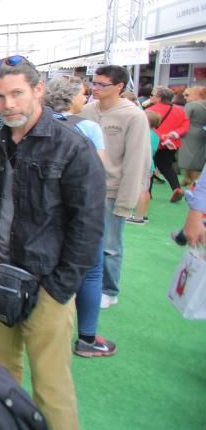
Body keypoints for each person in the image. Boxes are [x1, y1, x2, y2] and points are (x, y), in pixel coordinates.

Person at [0, 57, 104, 430]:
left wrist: (61, 288)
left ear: (38, 90)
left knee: (51, 386)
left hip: (46, 284)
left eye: (17, 93)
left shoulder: (71, 145)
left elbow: (88, 227)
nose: (8, 104)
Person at [44, 76, 117, 358]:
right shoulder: (88, 128)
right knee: (91, 271)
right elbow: (96, 173)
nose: (86, 98)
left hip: (45, 212)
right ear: (72, 97)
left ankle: (48, 331)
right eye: (83, 93)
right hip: (81, 212)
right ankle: (87, 338)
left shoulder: (37, 126)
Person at [80, 65, 151, 309]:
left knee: (110, 244)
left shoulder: (133, 116)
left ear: (120, 87)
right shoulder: (87, 110)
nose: (95, 88)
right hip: (83, 188)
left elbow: (137, 160)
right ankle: (86, 282)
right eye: (94, 82)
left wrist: (126, 202)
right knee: (82, 238)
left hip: (111, 190)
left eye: (102, 84)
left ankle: (109, 289)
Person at [145, 86, 189, 201]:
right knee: (166, 166)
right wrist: (174, 134)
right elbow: (185, 125)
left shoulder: (150, 111)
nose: (151, 97)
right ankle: (176, 188)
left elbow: (149, 128)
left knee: (149, 167)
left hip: (153, 142)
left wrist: (163, 138)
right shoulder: (180, 110)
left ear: (159, 98)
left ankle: (147, 193)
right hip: (172, 143)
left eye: (153, 95)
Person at [131, 109, 162, 224]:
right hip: (149, 164)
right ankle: (143, 215)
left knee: (140, 190)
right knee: (146, 190)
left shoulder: (144, 133)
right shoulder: (155, 134)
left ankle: (138, 217)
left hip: (141, 164)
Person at [178, 85, 206, 187]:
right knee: (198, 155)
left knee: (190, 156)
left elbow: (183, 118)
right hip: (202, 132)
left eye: (187, 95)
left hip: (190, 132)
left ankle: (194, 182)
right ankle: (188, 178)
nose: (185, 97)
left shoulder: (191, 105)